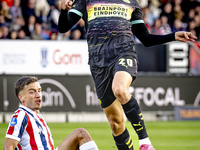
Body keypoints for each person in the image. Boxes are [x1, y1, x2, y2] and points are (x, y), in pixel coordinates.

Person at [58, 0, 197, 150]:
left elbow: (146, 38)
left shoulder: (131, 2)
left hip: (124, 53)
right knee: (116, 124)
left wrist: (173, 36)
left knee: (119, 89)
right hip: (98, 64)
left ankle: (145, 142)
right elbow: (63, 27)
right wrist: (64, 10)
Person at [3, 76, 99, 150]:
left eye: (39, 91)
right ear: (21, 97)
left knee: (81, 135)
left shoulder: (37, 115)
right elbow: (8, 147)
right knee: (80, 133)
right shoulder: (21, 115)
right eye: (32, 92)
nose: (38, 95)